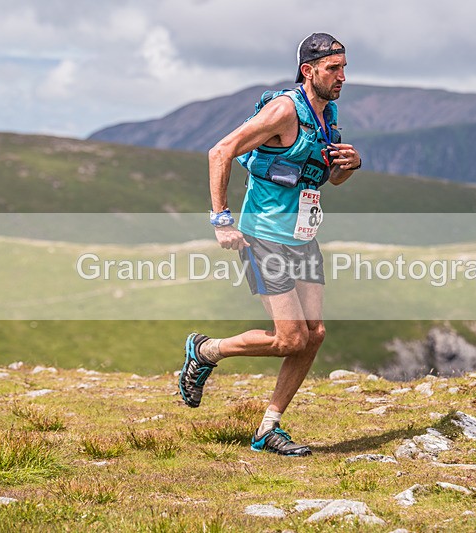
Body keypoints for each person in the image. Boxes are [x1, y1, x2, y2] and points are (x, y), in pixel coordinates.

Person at [179, 32, 362, 456]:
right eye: (333, 68)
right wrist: (222, 220)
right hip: (264, 237)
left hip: (302, 237)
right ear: (308, 70)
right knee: (291, 338)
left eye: (344, 68)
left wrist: (351, 165)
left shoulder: (328, 115)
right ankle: (206, 351)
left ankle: (268, 429)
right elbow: (220, 151)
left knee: (314, 334)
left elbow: (331, 179)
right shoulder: (284, 110)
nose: (342, 77)